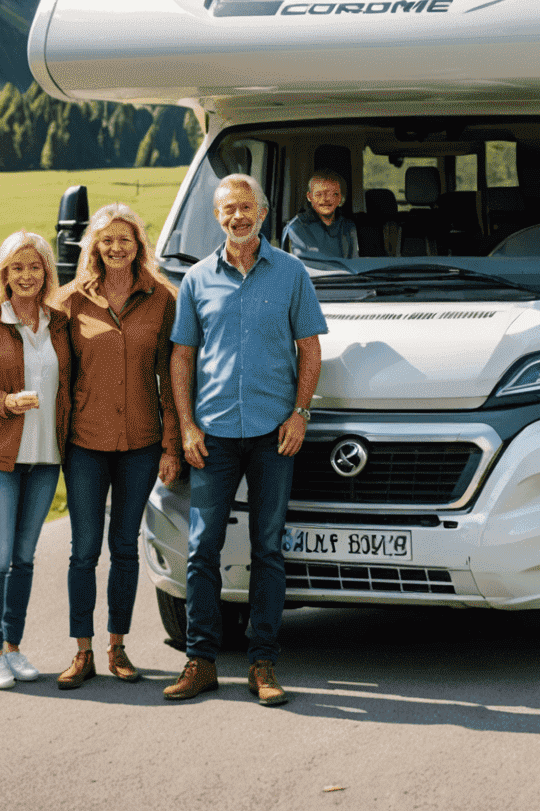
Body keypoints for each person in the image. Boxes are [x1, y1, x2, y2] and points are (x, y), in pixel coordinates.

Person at [164, 173, 326, 708]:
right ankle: (201, 661)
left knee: (268, 548)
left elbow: (310, 350)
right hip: (212, 433)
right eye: (228, 208)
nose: (239, 215)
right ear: (217, 217)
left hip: (272, 432)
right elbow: (181, 356)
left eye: (247, 206)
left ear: (262, 212)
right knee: (201, 548)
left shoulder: (291, 273)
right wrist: (186, 424)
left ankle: (263, 662)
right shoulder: (196, 281)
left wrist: (300, 413)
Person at [50, 203, 181, 690]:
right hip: (85, 441)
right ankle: (81, 650)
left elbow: (171, 377)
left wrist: (172, 445)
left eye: (124, 239)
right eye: (106, 240)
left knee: (125, 547)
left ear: (138, 244)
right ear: (94, 247)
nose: (116, 247)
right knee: (84, 549)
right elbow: (57, 370)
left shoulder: (162, 299)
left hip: (142, 443)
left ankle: (117, 646)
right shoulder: (71, 301)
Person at [0, 230, 71, 691]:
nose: (26, 275)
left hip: (46, 456)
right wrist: (4, 401)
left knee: (24, 557)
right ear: (4, 272)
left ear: (47, 272)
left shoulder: (59, 321)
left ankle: (14, 646)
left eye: (35, 267)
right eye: (17, 267)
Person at [282, 171, 360, 261]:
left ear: (340, 198)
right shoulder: (295, 228)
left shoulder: (348, 227)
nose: (325, 199)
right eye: (319, 194)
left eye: (333, 194)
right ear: (309, 196)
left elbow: (354, 263)